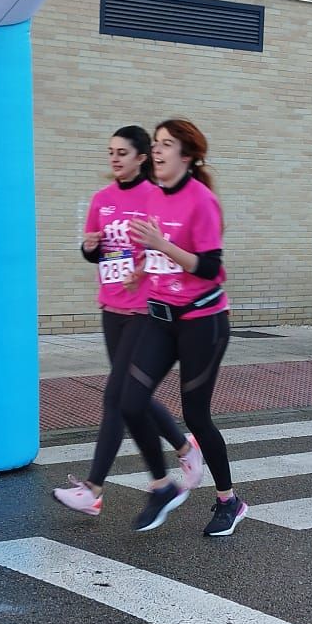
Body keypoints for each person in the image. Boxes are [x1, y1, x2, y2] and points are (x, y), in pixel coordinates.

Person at [52, 127, 204, 517]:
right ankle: (182, 453)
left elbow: (170, 249)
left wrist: (145, 264)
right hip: (112, 309)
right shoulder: (101, 199)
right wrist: (90, 248)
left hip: (145, 310)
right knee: (134, 397)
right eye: (111, 152)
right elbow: (98, 252)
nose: (115, 159)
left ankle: (93, 488)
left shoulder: (156, 197)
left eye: (123, 152)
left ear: (142, 158)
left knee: (116, 398)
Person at [117, 119, 247, 537]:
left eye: (166, 145)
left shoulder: (202, 201)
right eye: (155, 144)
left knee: (196, 414)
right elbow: (157, 254)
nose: (156, 151)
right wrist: (140, 269)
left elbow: (210, 268)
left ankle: (229, 501)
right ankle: (161, 487)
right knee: (130, 400)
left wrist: (162, 245)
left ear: (186, 156)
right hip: (161, 318)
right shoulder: (153, 196)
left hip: (203, 323)